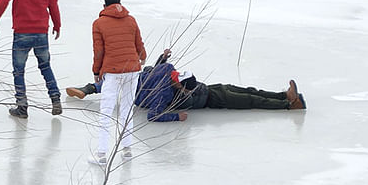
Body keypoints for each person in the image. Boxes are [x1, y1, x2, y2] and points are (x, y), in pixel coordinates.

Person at [66, 50, 305, 120]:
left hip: (209, 89)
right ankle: (287, 105)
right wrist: (177, 117)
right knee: (250, 100)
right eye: (184, 86)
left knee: (248, 91)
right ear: (178, 86)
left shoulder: (154, 74)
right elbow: (154, 116)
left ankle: (284, 95)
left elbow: (149, 70)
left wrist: (163, 59)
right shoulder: (161, 94)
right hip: (211, 99)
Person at [90, 0, 146, 164]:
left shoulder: (99, 23)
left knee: (106, 111)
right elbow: (139, 44)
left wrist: (96, 72)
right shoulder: (131, 20)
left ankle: (101, 154)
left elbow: (99, 51)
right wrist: (142, 57)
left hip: (113, 71)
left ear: (105, 5)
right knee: (127, 110)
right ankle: (127, 150)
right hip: (132, 69)